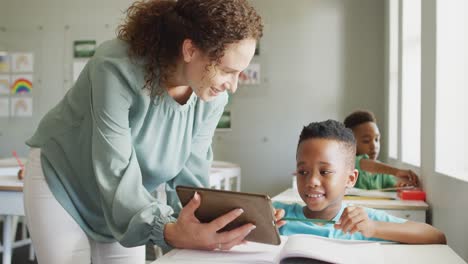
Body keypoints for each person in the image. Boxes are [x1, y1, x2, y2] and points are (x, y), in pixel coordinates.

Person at [23, 1, 279, 263]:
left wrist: (231, 220)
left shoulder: (212, 99)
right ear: (190, 49)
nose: (233, 86)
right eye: (227, 71)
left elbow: (191, 180)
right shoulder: (115, 66)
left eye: (240, 74)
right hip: (65, 184)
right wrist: (168, 230)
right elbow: (115, 167)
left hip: (127, 199)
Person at [274, 120, 446, 244]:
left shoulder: (362, 221)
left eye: (325, 172)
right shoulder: (278, 215)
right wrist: (258, 222)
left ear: (350, 179)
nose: (311, 181)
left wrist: (374, 228)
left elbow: (436, 237)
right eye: (303, 171)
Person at [343, 110, 419, 189]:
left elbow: (391, 187)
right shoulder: (350, 163)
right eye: (366, 141)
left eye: (376, 139)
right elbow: (365, 164)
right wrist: (396, 171)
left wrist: (400, 186)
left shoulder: (382, 172)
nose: (374, 145)